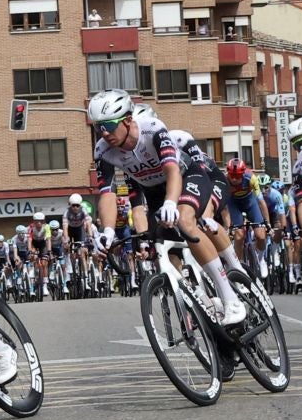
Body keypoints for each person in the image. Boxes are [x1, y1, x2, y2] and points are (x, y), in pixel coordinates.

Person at [86, 89, 246, 324]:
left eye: (108, 125)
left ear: (128, 119)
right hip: (154, 191)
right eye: (98, 127)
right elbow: (107, 194)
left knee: (185, 220)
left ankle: (231, 297)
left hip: (187, 175)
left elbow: (172, 170)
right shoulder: (103, 151)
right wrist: (108, 231)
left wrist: (172, 202)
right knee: (161, 242)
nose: (103, 133)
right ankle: (200, 302)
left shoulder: (152, 129)